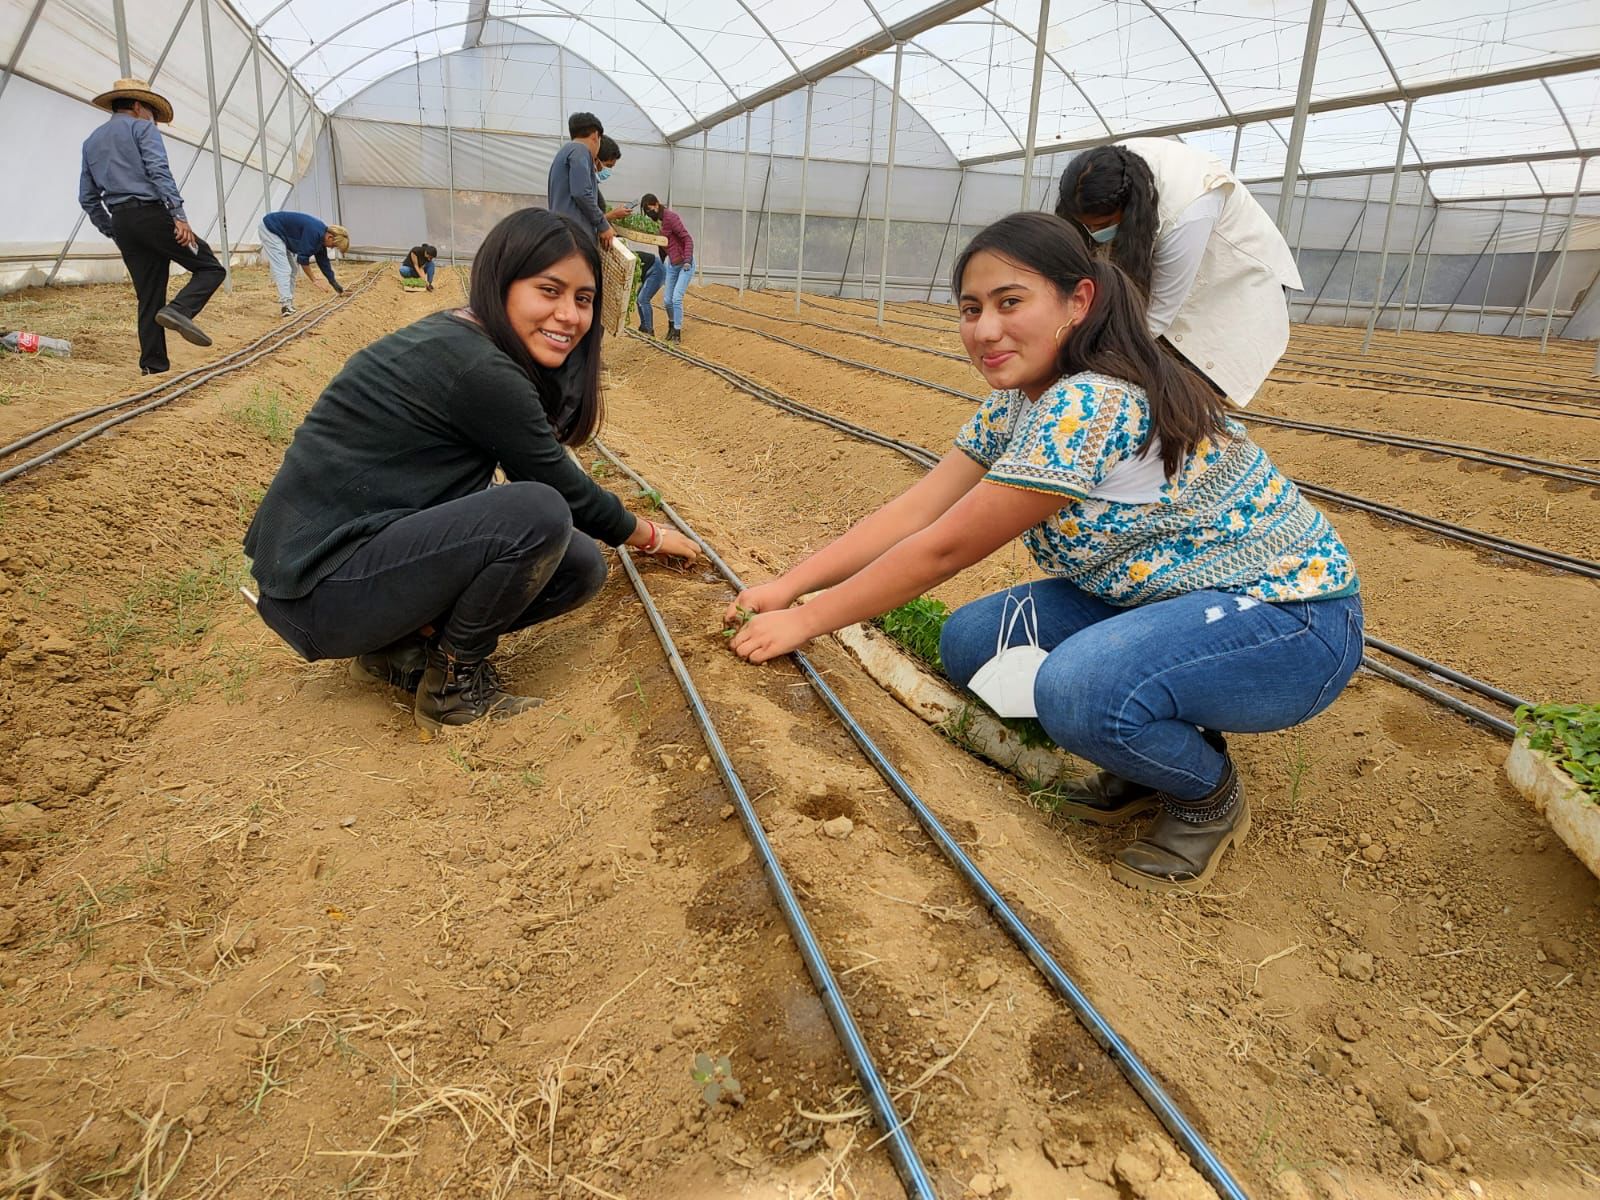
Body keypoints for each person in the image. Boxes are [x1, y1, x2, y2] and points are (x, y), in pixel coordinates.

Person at [724, 212, 1361, 892]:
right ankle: (1143, 750)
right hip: (1164, 596)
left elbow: (944, 549)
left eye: (1010, 302)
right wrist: (789, 586)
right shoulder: (1018, 404)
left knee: (1077, 691)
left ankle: (1207, 797)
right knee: (976, 644)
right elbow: (917, 511)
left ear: (1077, 302)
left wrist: (808, 619)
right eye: (971, 309)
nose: (985, 329)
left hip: (1291, 619)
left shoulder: (1090, 403)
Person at [244, 208, 699, 734]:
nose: (569, 315)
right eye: (549, 291)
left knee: (577, 564)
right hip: (320, 588)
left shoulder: (465, 338)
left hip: (340, 572)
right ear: (502, 283)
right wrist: (649, 535)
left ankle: (396, 652)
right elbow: (559, 487)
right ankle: (453, 689)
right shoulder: (479, 367)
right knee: (539, 511)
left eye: (583, 298)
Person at [1054, 138, 1302, 407]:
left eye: (1102, 224)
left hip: (1232, 287)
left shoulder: (1187, 211)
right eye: (1085, 226)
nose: (1093, 233)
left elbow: (1158, 313)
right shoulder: (1102, 174)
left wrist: (1101, 355)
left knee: (1185, 394)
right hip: (1180, 281)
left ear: (1130, 210)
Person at [77, 77, 226, 375]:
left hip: (122, 222)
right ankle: (180, 310)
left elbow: (87, 197)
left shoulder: (91, 142)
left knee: (148, 296)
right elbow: (159, 171)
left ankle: (153, 366)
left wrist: (112, 229)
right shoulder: (141, 128)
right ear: (137, 106)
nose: (154, 120)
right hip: (152, 215)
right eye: (153, 113)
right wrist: (179, 216)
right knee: (210, 268)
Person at [259, 210, 349, 317]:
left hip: (279, 232)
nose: (331, 248)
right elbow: (302, 259)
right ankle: (286, 305)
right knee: (284, 269)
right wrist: (314, 280)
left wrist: (336, 286)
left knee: (293, 269)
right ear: (330, 237)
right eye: (333, 245)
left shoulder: (321, 237)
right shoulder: (315, 233)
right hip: (271, 229)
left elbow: (324, 263)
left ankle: (288, 303)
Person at [547, 112, 613, 250]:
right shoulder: (580, 151)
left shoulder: (565, 151)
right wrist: (603, 225)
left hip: (562, 231)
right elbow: (581, 192)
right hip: (575, 235)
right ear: (595, 136)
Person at [640, 194, 693, 342]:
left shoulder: (671, 217)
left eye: (650, 209)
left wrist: (687, 260)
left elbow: (687, 238)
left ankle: (677, 332)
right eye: (646, 211)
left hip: (685, 264)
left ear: (657, 204)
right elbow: (662, 244)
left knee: (676, 298)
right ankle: (671, 326)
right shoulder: (657, 223)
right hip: (672, 264)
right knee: (667, 300)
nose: (649, 213)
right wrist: (664, 262)